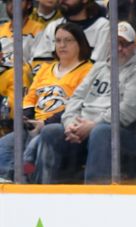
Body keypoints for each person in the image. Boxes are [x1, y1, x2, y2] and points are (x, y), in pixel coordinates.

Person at [34, 22, 136, 184]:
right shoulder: (100, 68)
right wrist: (70, 125)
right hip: (87, 129)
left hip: (132, 135)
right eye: (115, 43)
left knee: (101, 132)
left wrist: (92, 126)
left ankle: (96, 193)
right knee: (51, 131)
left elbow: (126, 113)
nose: (119, 49)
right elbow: (76, 99)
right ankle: (44, 193)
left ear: (134, 46)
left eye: (124, 44)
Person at [0, 22, 92, 182]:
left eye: (68, 40)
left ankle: (29, 180)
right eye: (58, 40)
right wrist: (27, 117)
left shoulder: (88, 70)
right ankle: (10, 180)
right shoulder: (45, 69)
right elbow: (30, 97)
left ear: (80, 43)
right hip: (34, 124)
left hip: (62, 126)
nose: (62, 45)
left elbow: (81, 103)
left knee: (34, 146)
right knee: (5, 144)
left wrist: (46, 122)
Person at [0, 0, 46, 119]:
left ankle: (12, 122)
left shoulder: (39, 30)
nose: (12, 5)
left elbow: (38, 63)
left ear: (29, 4)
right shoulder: (1, 29)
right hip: (2, 74)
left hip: (23, 76)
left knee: (19, 73)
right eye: (9, 1)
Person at [29, 0, 110, 65]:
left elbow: (97, 67)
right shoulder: (53, 26)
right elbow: (38, 62)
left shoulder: (103, 27)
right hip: (51, 82)